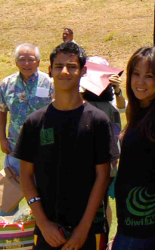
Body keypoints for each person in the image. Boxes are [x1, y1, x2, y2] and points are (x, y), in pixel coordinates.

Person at [15, 42, 119, 250]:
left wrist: (83, 228)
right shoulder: (35, 122)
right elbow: (26, 175)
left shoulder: (97, 121)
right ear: (49, 70)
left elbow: (103, 175)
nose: (64, 71)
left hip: (89, 229)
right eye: (58, 66)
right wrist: (43, 223)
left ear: (83, 71)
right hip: (48, 230)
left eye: (72, 66)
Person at [112, 46, 155, 250]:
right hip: (129, 225)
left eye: (149, 76)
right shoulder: (140, 113)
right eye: (136, 74)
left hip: (144, 231)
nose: (140, 82)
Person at [0, 43, 52, 215]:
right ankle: (6, 232)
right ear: (16, 62)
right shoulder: (6, 84)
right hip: (15, 146)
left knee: (44, 192)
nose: (26, 64)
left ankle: (42, 230)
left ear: (38, 61)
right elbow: (2, 111)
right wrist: (2, 138)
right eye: (22, 59)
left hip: (43, 146)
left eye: (31, 59)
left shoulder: (49, 83)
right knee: (9, 191)